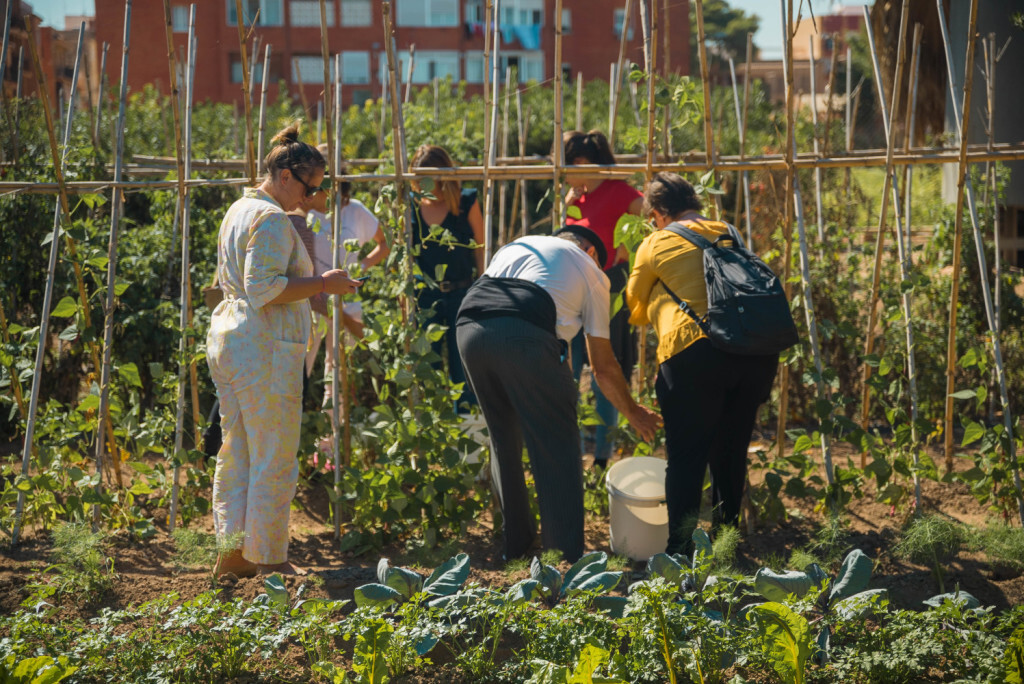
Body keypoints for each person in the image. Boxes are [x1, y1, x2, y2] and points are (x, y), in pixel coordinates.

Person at [206, 122, 360, 577]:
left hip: (233, 341)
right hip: (264, 348)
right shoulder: (272, 218)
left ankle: (232, 555)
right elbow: (264, 288)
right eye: (310, 188)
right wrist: (324, 284)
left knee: (237, 452)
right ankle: (271, 562)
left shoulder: (240, 208)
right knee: (273, 455)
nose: (311, 199)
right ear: (286, 175)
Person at [456, 225, 661, 563]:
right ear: (592, 252)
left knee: (502, 440)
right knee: (557, 443)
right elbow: (603, 368)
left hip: (469, 328)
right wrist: (634, 412)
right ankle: (563, 560)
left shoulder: (518, 245)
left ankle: (516, 550)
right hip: (523, 332)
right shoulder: (593, 272)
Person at [625, 173, 778, 557]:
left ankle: (680, 554)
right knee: (730, 453)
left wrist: (660, 295)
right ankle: (726, 550)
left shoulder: (655, 242)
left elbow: (634, 304)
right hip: (751, 352)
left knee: (687, 458)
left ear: (659, 214)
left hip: (692, 353)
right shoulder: (728, 231)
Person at [563, 129, 644, 469]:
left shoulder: (619, 191)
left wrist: (627, 248)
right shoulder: (576, 198)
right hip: (576, 288)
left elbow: (648, 215)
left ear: (581, 163)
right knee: (571, 369)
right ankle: (573, 449)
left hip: (610, 287)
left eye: (566, 165)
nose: (561, 171)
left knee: (605, 371)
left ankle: (601, 458)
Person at [302, 148, 390, 402]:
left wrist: (360, 268)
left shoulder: (355, 210)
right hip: (310, 301)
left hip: (347, 301)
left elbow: (385, 242)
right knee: (300, 366)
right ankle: (299, 432)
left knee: (340, 373)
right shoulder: (305, 210)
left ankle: (333, 435)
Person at [410, 144, 485, 409]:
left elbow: (480, 247)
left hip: (462, 294)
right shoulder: (411, 206)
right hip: (426, 297)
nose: (422, 183)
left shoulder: (465, 201)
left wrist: (482, 288)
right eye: (418, 177)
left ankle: (468, 438)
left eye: (428, 177)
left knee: (464, 370)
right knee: (426, 369)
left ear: (443, 176)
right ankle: (432, 440)